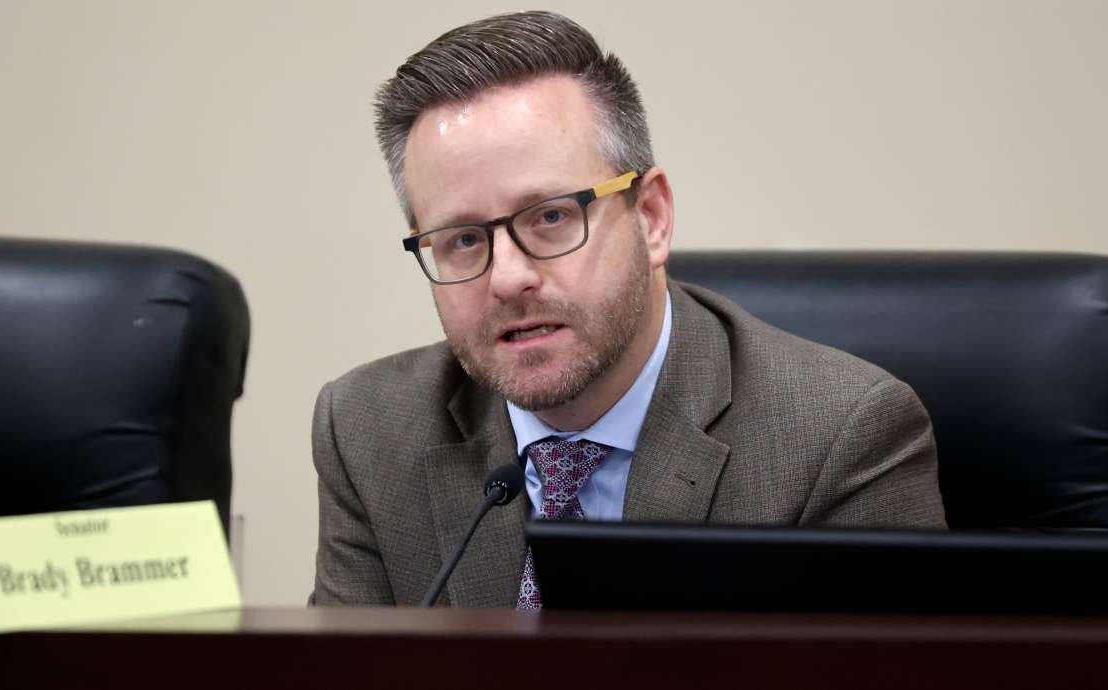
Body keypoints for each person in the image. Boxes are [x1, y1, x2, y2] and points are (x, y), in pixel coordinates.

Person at [311, 11, 946, 608]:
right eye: (463, 239)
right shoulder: (368, 431)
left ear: (652, 217)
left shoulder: (839, 437)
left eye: (551, 216)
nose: (507, 278)